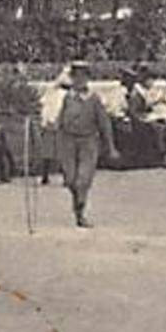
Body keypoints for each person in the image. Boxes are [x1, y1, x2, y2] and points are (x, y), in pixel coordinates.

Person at [56, 61, 118, 227]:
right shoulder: (67, 98)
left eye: (83, 76)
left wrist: (110, 146)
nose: (79, 80)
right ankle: (77, 202)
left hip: (88, 141)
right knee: (70, 179)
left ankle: (80, 213)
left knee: (83, 179)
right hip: (68, 141)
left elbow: (104, 123)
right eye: (76, 77)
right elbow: (61, 121)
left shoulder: (94, 99)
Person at [37, 74, 67, 184]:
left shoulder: (64, 95)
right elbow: (44, 110)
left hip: (59, 125)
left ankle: (65, 176)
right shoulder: (48, 95)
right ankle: (45, 176)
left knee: (61, 152)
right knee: (48, 152)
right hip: (51, 125)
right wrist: (46, 123)